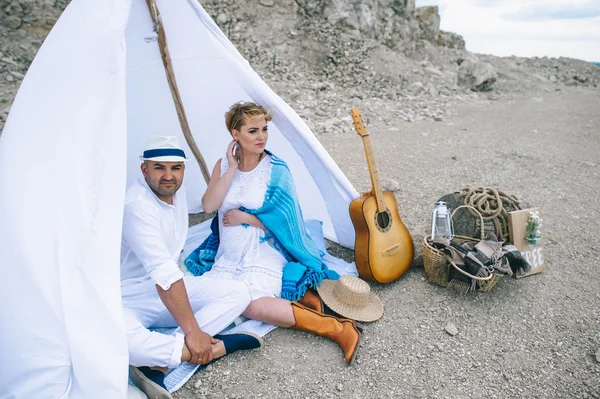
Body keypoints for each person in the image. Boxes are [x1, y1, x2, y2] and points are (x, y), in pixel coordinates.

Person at [185, 102, 362, 364]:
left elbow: (288, 222)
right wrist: (232, 169)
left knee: (249, 303)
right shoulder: (223, 166)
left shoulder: (276, 170)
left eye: (264, 130)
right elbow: (209, 205)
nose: (262, 137)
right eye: (253, 131)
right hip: (230, 253)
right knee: (222, 297)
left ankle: (338, 329)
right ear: (236, 135)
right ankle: (312, 308)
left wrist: (248, 218)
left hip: (263, 250)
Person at [121, 136, 262, 399]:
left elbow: (171, 274)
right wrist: (193, 330)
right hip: (127, 297)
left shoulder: (174, 190)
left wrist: (192, 331)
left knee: (239, 293)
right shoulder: (137, 206)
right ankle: (210, 348)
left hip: (167, 292)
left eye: (176, 168)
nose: (168, 176)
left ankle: (160, 363)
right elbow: (163, 273)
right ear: (144, 170)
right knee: (120, 343)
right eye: (159, 168)